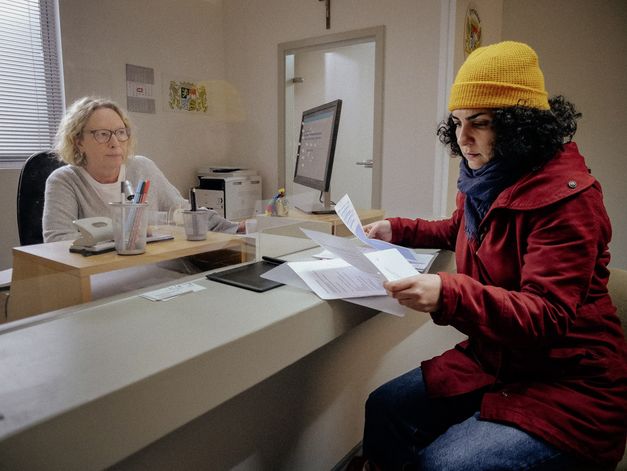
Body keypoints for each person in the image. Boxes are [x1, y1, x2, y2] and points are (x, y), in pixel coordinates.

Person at [355, 41, 627, 470]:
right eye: (458, 123)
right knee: (385, 408)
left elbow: (547, 314)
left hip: (570, 385)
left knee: (445, 464)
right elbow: (460, 229)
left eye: (479, 123)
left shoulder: (570, 200)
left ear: (522, 127)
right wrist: (400, 229)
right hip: (498, 360)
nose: (463, 139)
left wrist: (449, 293)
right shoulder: (487, 181)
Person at [43, 96, 244, 242]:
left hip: (156, 269)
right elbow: (57, 241)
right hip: (99, 277)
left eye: (120, 133)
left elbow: (182, 212)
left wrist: (235, 228)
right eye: (102, 134)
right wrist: (127, 231)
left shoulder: (142, 167)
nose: (115, 143)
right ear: (78, 141)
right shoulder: (65, 180)